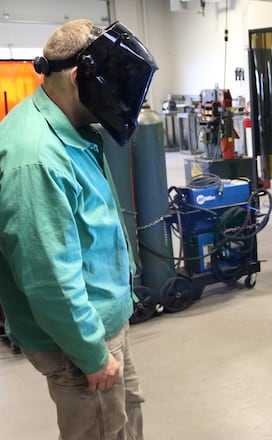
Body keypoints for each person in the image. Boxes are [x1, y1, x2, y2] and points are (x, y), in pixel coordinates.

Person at [0, 19, 157, 439]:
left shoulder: (73, 129)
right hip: (80, 344)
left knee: (127, 420)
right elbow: (48, 279)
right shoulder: (36, 158)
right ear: (78, 77)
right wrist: (92, 356)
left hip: (103, 326)